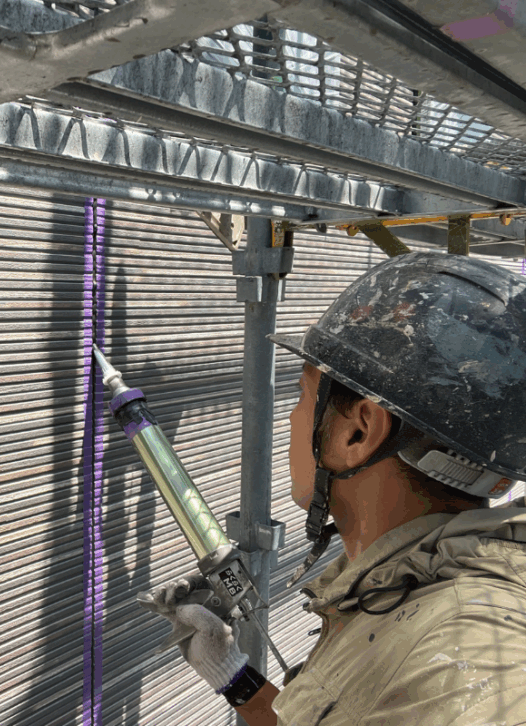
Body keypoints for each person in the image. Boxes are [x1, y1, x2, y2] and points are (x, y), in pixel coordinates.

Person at [141, 251, 526, 725]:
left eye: (302, 396)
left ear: (357, 434)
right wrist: (231, 673)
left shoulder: (462, 659)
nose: (290, 418)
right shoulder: (401, 588)